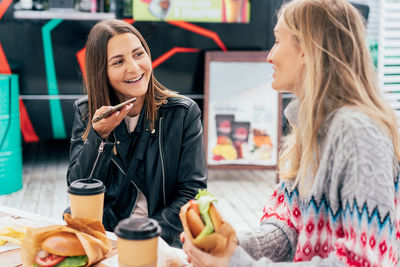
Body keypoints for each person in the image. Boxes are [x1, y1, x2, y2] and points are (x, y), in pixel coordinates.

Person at [181, 0, 400, 265]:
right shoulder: (310, 125)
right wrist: (230, 245)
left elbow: (364, 261)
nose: (269, 55)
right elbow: (289, 230)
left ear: (307, 49)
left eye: (277, 41)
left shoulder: (357, 132)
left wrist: (237, 263)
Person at [66, 19, 207, 246]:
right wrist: (98, 136)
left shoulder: (182, 112)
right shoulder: (87, 112)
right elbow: (79, 188)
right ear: (102, 71)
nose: (134, 67)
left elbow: (193, 192)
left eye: (139, 54)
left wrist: (146, 236)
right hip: (106, 235)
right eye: (118, 61)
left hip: (163, 237)